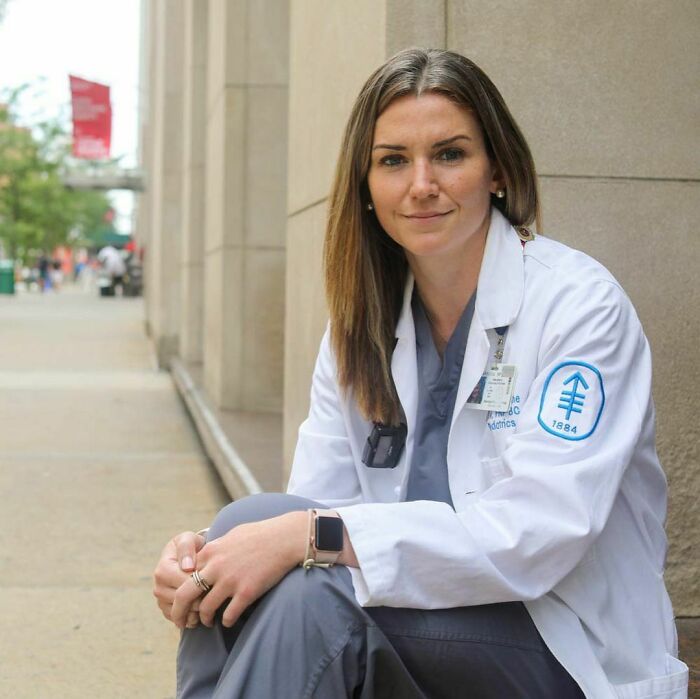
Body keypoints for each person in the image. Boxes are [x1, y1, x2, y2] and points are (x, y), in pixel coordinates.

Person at [153, 49, 688, 698]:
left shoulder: (578, 306)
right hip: (418, 632)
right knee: (249, 530)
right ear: (367, 188)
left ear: (498, 171)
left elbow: (539, 534)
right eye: (394, 160)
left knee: (301, 593)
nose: (421, 184)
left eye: (451, 154)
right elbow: (305, 509)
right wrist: (208, 559)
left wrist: (308, 536)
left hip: (558, 646)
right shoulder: (361, 328)